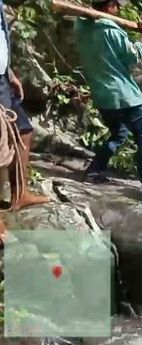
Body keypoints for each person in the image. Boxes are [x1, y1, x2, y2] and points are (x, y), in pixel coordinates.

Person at [75, 0, 142, 195]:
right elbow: (134, 56)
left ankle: (93, 171)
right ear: (109, 5)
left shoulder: (81, 27)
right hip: (124, 95)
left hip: (102, 95)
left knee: (118, 134)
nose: (120, 9)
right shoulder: (111, 31)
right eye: (117, 5)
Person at [0, 0, 50, 219]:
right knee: (1, 143)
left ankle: (20, 193)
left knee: (23, 130)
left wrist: (9, 73)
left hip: (2, 77)